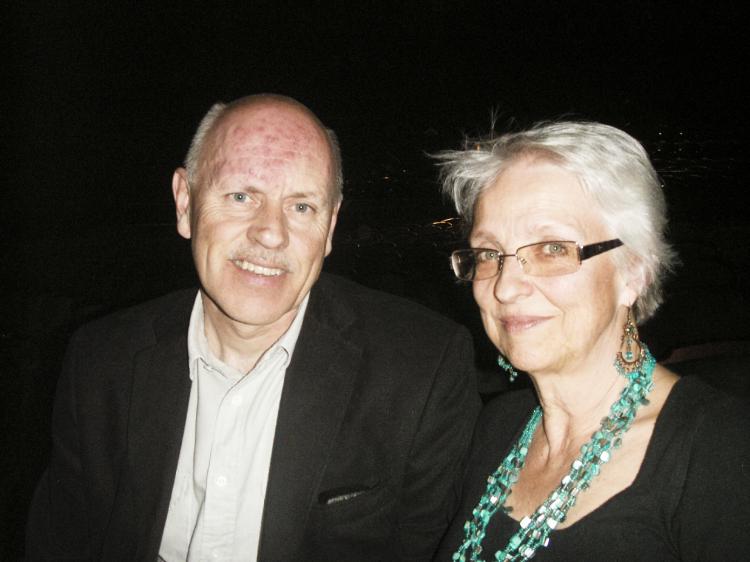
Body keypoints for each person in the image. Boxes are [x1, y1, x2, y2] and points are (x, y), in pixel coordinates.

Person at [26, 94, 480, 561]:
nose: (271, 233)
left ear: (330, 227)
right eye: (241, 196)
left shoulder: (423, 370)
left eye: (301, 207)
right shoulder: (100, 360)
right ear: (186, 203)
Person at [432, 121, 750, 561]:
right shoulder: (497, 428)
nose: (505, 287)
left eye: (552, 249)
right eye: (489, 253)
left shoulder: (720, 452)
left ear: (633, 272)